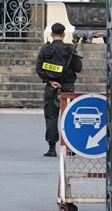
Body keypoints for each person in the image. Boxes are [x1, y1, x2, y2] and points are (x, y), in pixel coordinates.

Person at [34, 23, 82, 157]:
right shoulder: (70, 49)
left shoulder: (45, 49)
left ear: (51, 34)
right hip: (67, 86)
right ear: (64, 34)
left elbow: (39, 68)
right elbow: (78, 67)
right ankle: (70, 147)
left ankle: (51, 147)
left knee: (51, 117)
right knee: (69, 117)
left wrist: (49, 80)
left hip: (51, 87)